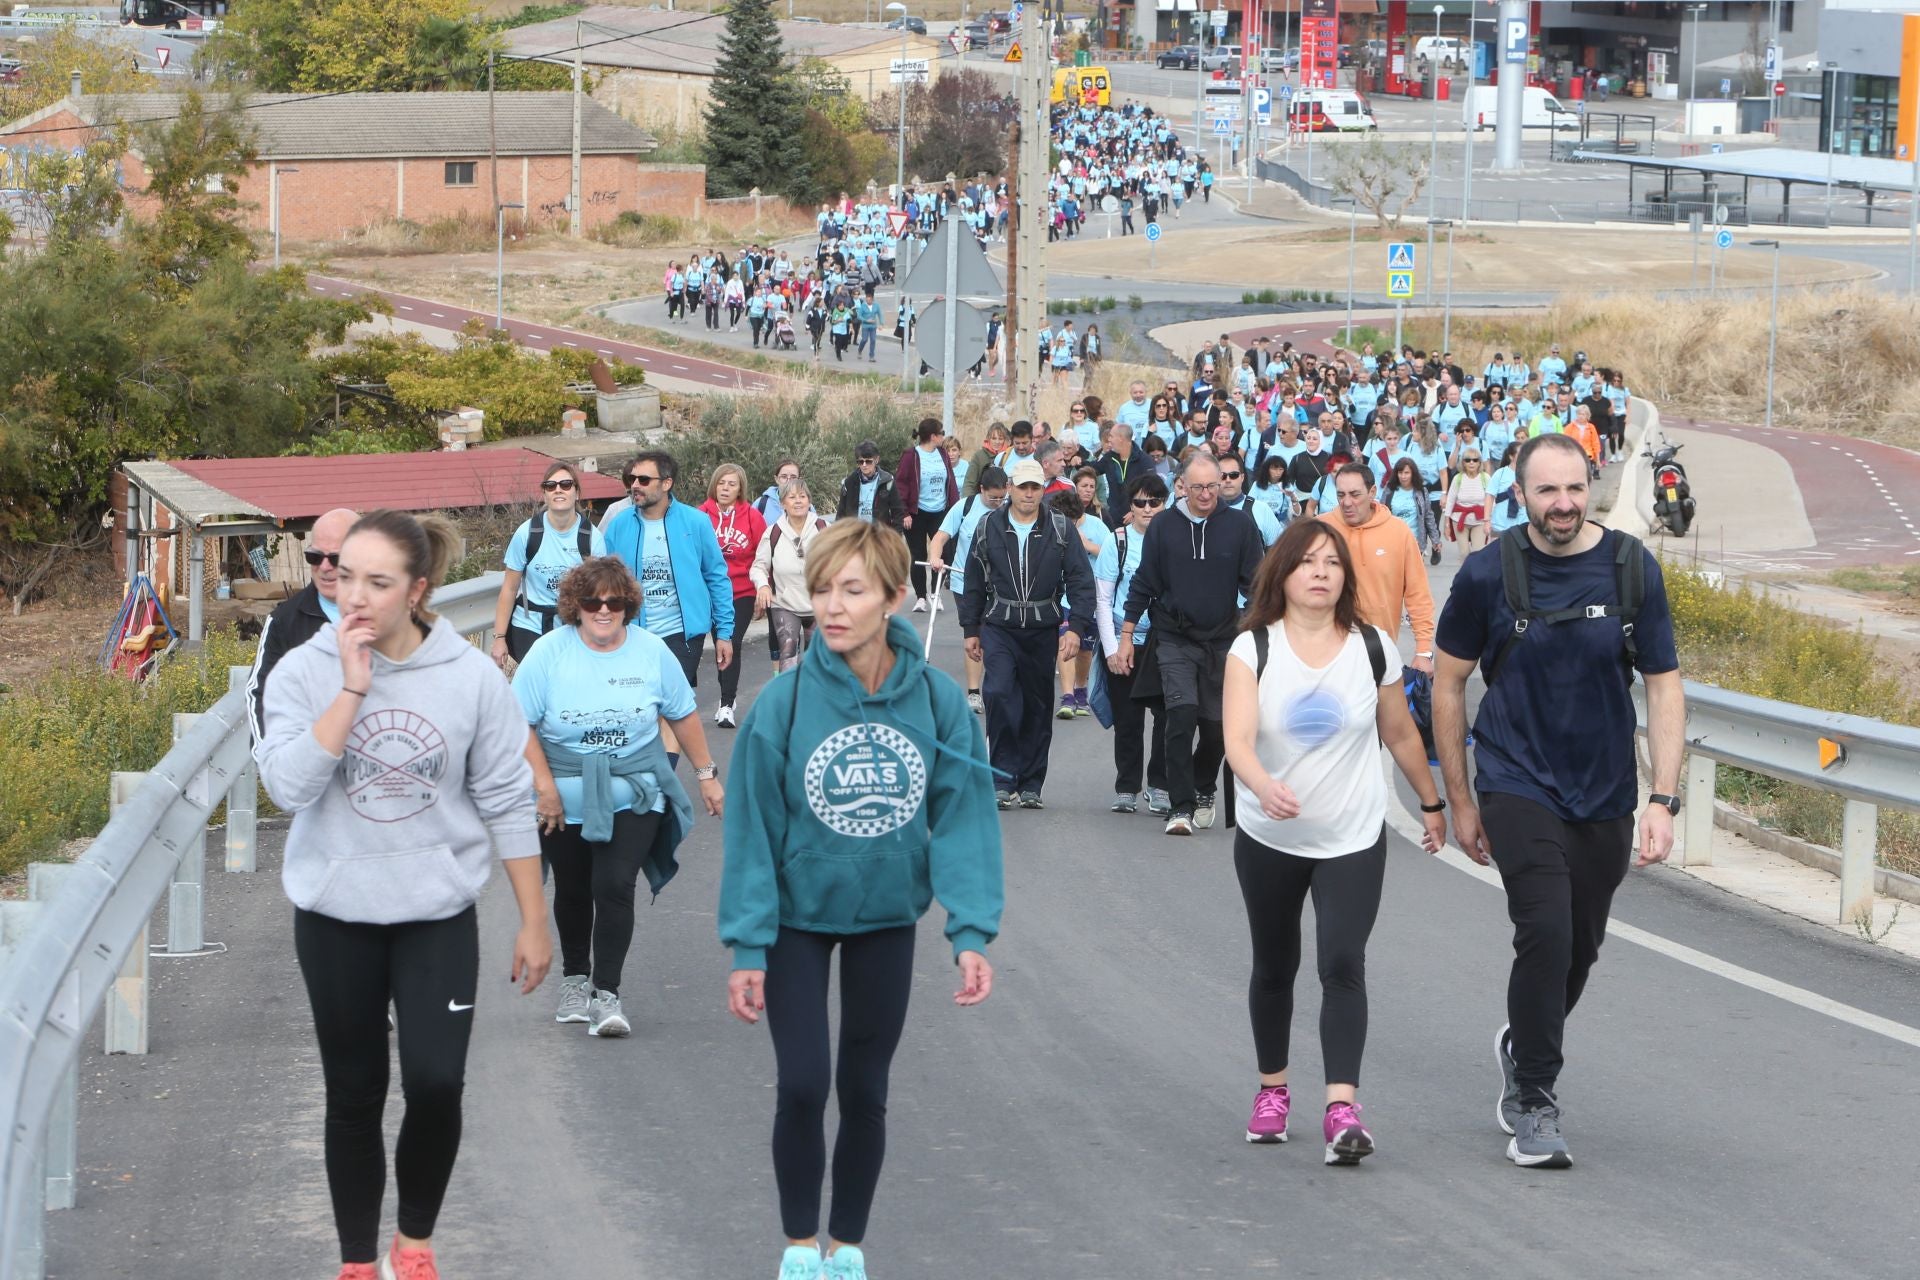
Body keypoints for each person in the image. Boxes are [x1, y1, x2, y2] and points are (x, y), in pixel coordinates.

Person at [257, 510, 552, 1280]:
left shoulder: (470, 678)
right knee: (354, 1093)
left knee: (435, 1082)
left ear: (418, 590)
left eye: (377, 581)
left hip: (435, 914)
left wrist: (534, 919)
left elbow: (507, 798)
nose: (353, 593)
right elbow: (287, 787)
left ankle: (414, 1244)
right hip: (335, 916)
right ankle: (358, 1260)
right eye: (343, 572)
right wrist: (352, 686)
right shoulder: (304, 671)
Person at [719, 519, 1003, 1280]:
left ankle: (845, 1248)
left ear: (895, 597)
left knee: (864, 1090)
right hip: (793, 922)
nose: (833, 606)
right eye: (821, 589)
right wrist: (748, 944)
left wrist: (970, 931)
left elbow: (965, 817)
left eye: (852, 589)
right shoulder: (780, 706)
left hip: (886, 918)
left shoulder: (939, 704)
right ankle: (796, 1250)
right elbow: (750, 831)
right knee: (805, 1083)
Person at [1432, 433, 1684, 1170]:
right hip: (1515, 779)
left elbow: (1664, 686)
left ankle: (1521, 1038)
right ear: (1522, 495)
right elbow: (1449, 684)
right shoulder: (1487, 574)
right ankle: (1535, 1099)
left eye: (1574, 488)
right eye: (1547, 491)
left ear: (1591, 488)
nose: (1564, 504)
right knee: (1544, 928)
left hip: (1604, 789)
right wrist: (1461, 800)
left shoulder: (1632, 571)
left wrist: (1663, 799)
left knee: (1580, 946)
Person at [1223, 519, 1447, 1162]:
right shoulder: (1253, 650)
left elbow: (1402, 733)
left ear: (1346, 577)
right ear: (1283, 574)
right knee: (1275, 965)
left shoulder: (1373, 647)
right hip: (1270, 836)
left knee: (1342, 963)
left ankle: (1342, 1110)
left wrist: (1429, 802)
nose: (1321, 572)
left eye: (1333, 562)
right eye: (1307, 562)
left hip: (1352, 836)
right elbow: (1237, 741)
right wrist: (1263, 785)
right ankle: (1272, 1093)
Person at [516, 558, 724, 1038]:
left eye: (614, 602)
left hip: (635, 788)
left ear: (628, 605)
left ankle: (606, 994)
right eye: (592, 602)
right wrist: (544, 787)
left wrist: (707, 774)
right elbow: (517, 723)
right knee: (572, 887)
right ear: (576, 606)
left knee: (613, 884)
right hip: (561, 795)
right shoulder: (548, 653)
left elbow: (683, 714)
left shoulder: (651, 652)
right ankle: (574, 980)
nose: (603, 610)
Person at [1115, 452, 1265, 836]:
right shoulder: (1164, 526)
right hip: (1174, 638)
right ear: (1182, 485)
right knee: (1180, 718)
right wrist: (1127, 636)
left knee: (1216, 730)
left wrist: (1256, 629)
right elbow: (1144, 582)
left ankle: (1203, 785)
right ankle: (1179, 808)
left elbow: (1256, 586)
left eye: (1212, 486)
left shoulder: (1240, 525)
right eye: (1197, 487)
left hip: (1222, 640)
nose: (1205, 494)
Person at [958, 458, 1097, 809]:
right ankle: (1002, 777)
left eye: (1035, 487)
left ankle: (1032, 782)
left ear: (1042, 491)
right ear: (1010, 488)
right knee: (999, 693)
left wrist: (1076, 628)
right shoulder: (988, 526)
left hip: (1042, 627)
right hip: (1000, 626)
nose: (1029, 494)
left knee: (1037, 704)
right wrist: (971, 628)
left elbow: (1081, 581)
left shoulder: (1061, 529)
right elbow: (973, 581)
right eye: (1022, 487)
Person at [602, 452, 736, 726]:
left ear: (666, 483)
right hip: (633, 634)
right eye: (631, 479)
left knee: (669, 712)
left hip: (681, 636)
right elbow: (603, 580)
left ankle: (664, 769)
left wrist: (724, 633)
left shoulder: (695, 522)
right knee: (639, 712)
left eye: (643, 479)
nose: (635, 485)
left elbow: (716, 577)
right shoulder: (619, 525)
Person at [1095, 472, 1171, 815]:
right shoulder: (1117, 541)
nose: (1148, 509)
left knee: (1168, 717)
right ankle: (1127, 786)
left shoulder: (1174, 539)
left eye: (1155, 502)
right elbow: (1102, 598)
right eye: (1140, 502)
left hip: (1165, 642)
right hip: (1125, 642)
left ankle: (1159, 785)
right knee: (1128, 719)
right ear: (1131, 507)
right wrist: (1111, 648)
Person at [248, 505, 357, 742]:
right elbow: (260, 695)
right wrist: (272, 763)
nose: (325, 567)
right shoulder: (284, 621)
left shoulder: (389, 615)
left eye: (336, 559)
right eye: (315, 557)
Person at [1318, 464, 1438, 674]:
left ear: (1372, 492)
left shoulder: (1399, 532)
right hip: (1324, 656)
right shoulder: (1319, 530)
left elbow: (1418, 594)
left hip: (1380, 654)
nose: (1347, 502)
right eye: (1340, 495)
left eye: (1355, 494)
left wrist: (1424, 650)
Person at [492, 463, 607, 668]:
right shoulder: (527, 533)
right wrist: (500, 638)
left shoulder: (592, 538)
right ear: (544, 494)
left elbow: (599, 594)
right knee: (538, 688)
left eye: (565, 484)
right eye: (551, 485)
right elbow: (509, 588)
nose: (558, 490)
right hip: (530, 625)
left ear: (576, 493)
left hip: (573, 625)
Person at [926, 465, 1006, 715]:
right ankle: (974, 693)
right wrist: (935, 558)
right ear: (981, 489)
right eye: (992, 497)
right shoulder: (965, 506)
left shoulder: (1010, 510)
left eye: (1002, 497)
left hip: (1002, 586)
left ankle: (998, 687)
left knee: (998, 638)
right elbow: (940, 537)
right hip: (966, 584)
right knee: (976, 636)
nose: (997, 502)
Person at [700, 464, 768, 728]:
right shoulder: (700, 516)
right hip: (709, 594)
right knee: (720, 643)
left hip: (741, 592)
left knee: (732, 642)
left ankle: (727, 703)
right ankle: (724, 698)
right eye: (721, 483)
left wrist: (764, 588)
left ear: (740, 488)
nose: (726, 488)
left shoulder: (752, 516)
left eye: (732, 484)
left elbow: (763, 556)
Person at [752, 477, 830, 673]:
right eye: (792, 497)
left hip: (819, 603)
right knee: (788, 653)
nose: (798, 501)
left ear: (809, 501)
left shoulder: (823, 529)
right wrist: (762, 585)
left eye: (802, 496)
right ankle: (789, 697)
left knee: (817, 658)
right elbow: (758, 566)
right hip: (785, 604)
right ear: (782, 504)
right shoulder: (773, 533)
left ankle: (815, 698)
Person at [894, 417, 957, 609]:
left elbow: (951, 482)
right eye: (941, 433)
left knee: (942, 552)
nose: (943, 437)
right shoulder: (911, 456)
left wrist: (954, 508)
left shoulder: (943, 454)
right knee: (919, 554)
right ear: (933, 436)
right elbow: (901, 484)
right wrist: (904, 512)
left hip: (939, 511)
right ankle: (921, 597)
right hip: (916, 513)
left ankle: (934, 594)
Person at [836, 441, 904, 528]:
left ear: (877, 460)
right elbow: (841, 514)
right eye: (861, 462)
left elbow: (898, 512)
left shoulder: (888, 481)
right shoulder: (848, 483)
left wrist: (895, 537)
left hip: (879, 535)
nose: (864, 465)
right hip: (855, 535)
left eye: (868, 461)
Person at [961, 423, 1011, 499]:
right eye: (994, 438)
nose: (997, 442)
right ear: (988, 439)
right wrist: (968, 503)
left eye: (1000, 439)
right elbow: (969, 483)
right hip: (984, 500)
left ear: (1005, 440)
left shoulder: (1010, 455)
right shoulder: (979, 456)